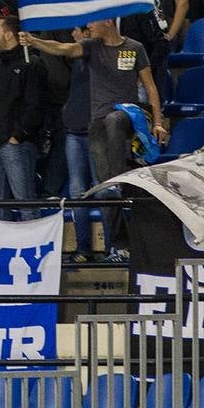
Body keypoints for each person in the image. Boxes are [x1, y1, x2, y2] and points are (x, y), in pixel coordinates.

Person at [22, 19, 168, 260]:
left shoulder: (135, 47)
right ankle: (122, 245)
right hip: (97, 125)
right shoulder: (91, 47)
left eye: (93, 22)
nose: (88, 26)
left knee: (114, 121)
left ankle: (123, 169)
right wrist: (35, 41)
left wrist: (159, 122)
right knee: (105, 190)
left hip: (127, 115)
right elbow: (63, 48)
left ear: (108, 22)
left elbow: (150, 87)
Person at [0, 15, 47, 216]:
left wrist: (18, 135)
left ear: (9, 34)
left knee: (25, 201)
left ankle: (33, 246)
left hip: (17, 144)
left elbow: (36, 106)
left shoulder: (32, 63)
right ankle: (3, 245)